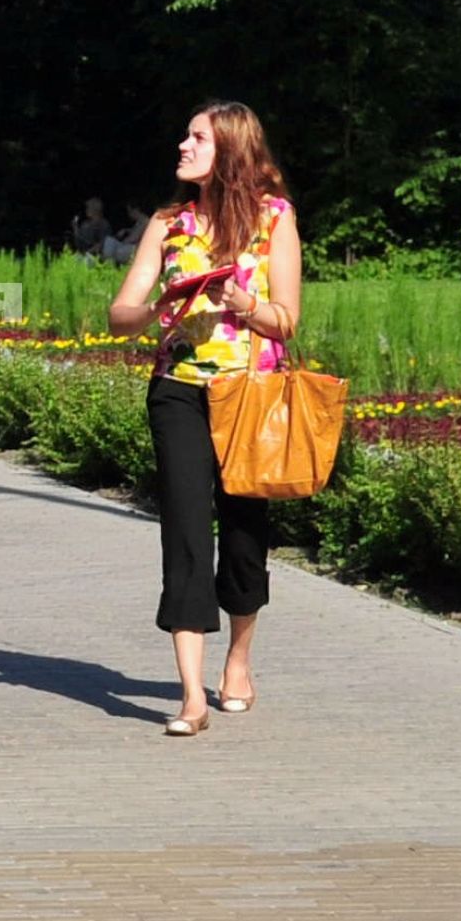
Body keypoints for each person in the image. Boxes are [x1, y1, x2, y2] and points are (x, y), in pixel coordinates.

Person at [107, 100, 301, 737]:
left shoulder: (275, 220)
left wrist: (245, 303)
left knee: (244, 542)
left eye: (197, 138)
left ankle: (238, 659)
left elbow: (288, 320)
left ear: (231, 153)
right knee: (186, 535)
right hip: (178, 393)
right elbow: (119, 316)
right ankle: (191, 696)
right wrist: (162, 301)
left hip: (250, 396)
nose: (183, 146)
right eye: (186, 135)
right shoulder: (168, 224)